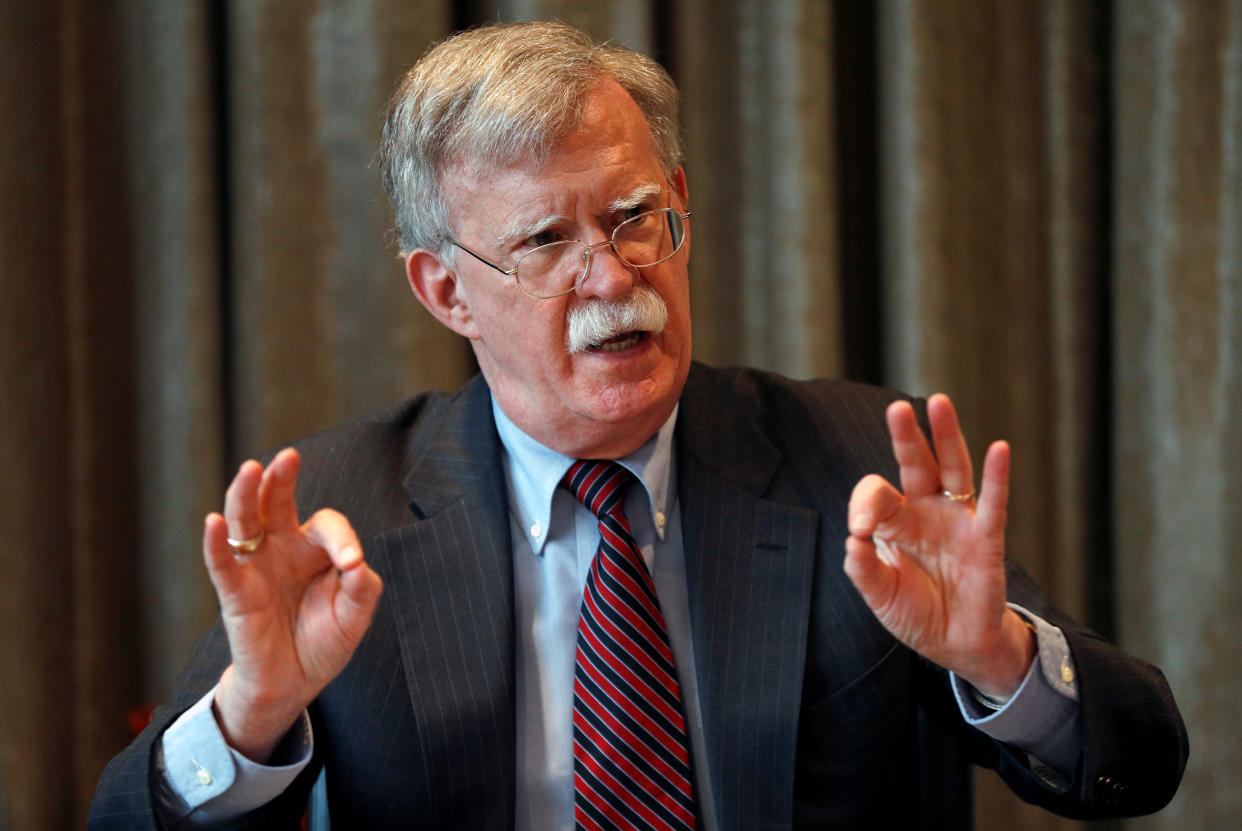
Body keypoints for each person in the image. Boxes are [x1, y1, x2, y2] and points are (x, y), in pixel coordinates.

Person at [90, 20, 1186, 830]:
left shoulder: (854, 468)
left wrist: (995, 659)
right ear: (444, 291)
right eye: (545, 244)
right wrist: (251, 718)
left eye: (632, 219)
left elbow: (1141, 762)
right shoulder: (348, 514)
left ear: (681, 204)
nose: (614, 278)